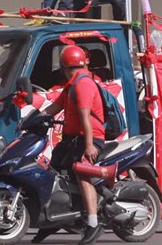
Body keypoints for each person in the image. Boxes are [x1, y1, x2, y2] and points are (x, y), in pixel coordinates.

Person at [38, 45, 107, 244]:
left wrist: (88, 146)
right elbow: (54, 106)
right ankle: (56, 220)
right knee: (53, 170)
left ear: (64, 67)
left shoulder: (83, 85)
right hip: (73, 138)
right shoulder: (72, 84)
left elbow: (85, 118)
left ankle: (93, 224)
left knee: (82, 173)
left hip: (89, 138)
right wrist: (33, 119)